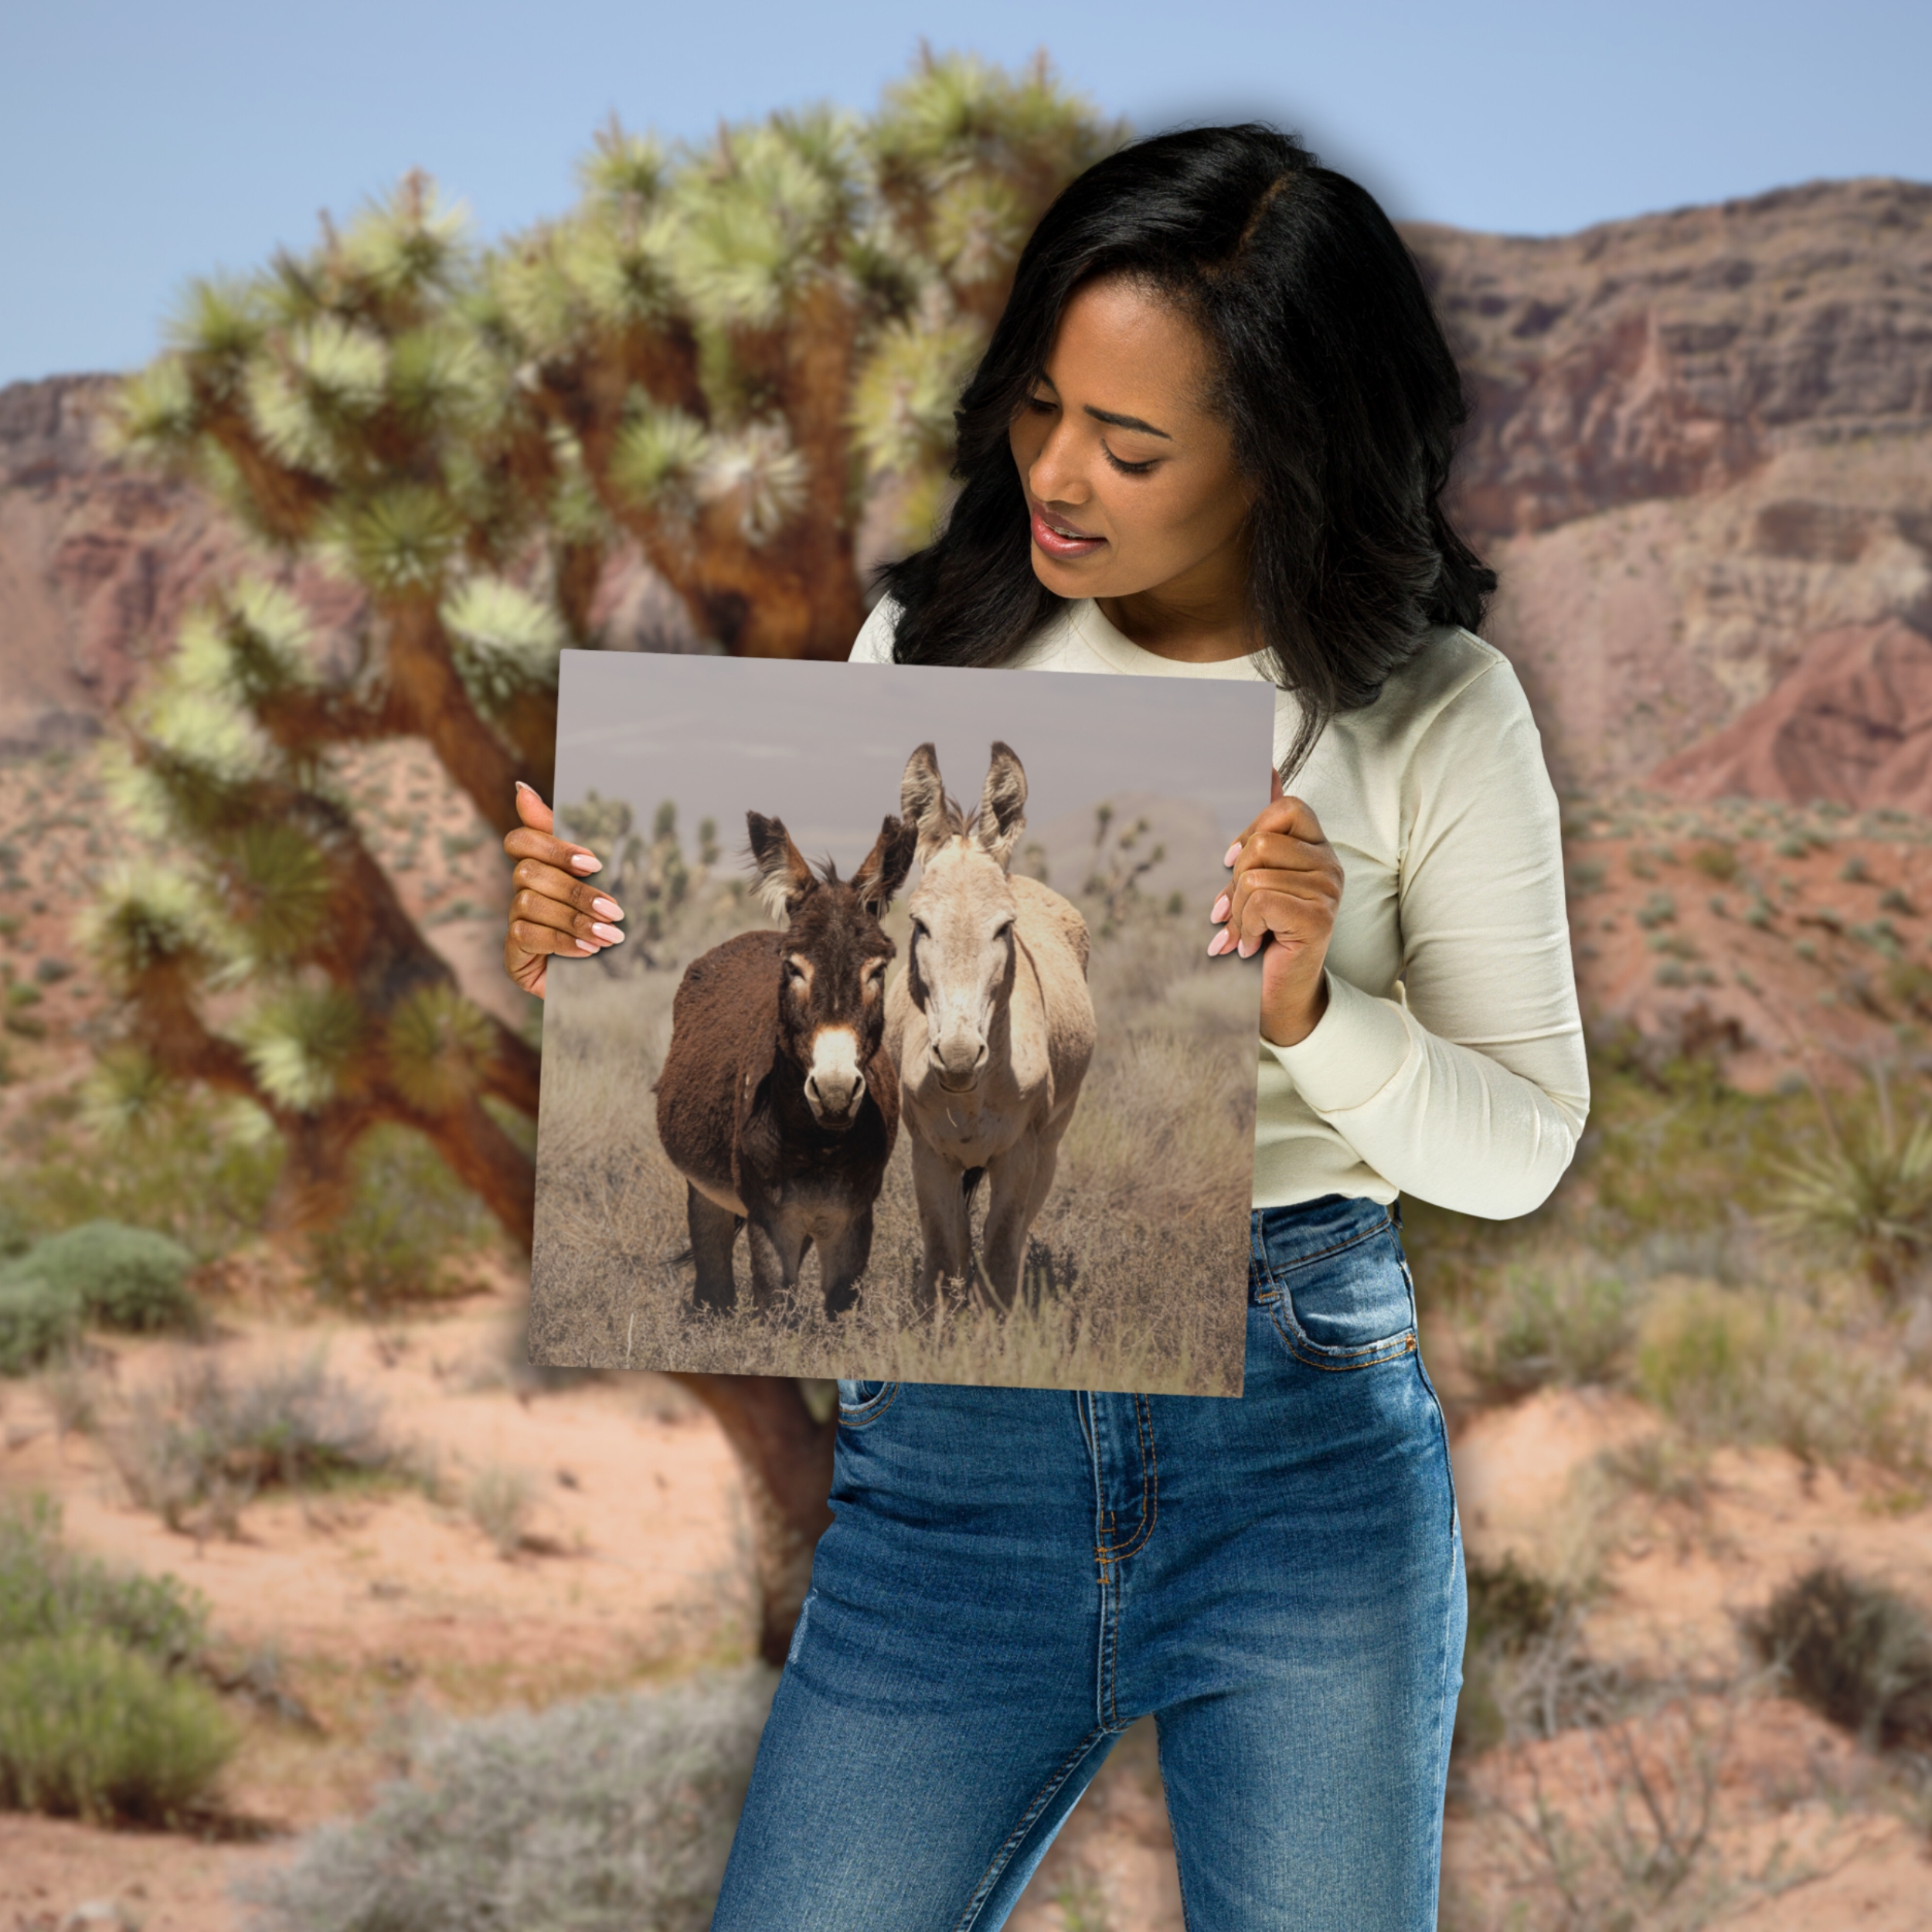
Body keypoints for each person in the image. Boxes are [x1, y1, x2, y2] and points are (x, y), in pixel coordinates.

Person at [503, 124, 1587, 1931]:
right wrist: (587, 948)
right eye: (1035, 408)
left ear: (1284, 454)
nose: (1054, 474)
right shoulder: (926, 642)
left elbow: (1519, 1141)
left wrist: (1312, 1009)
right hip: (948, 1473)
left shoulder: (1435, 712)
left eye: (1130, 443)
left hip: (1299, 1458)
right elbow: (818, 979)